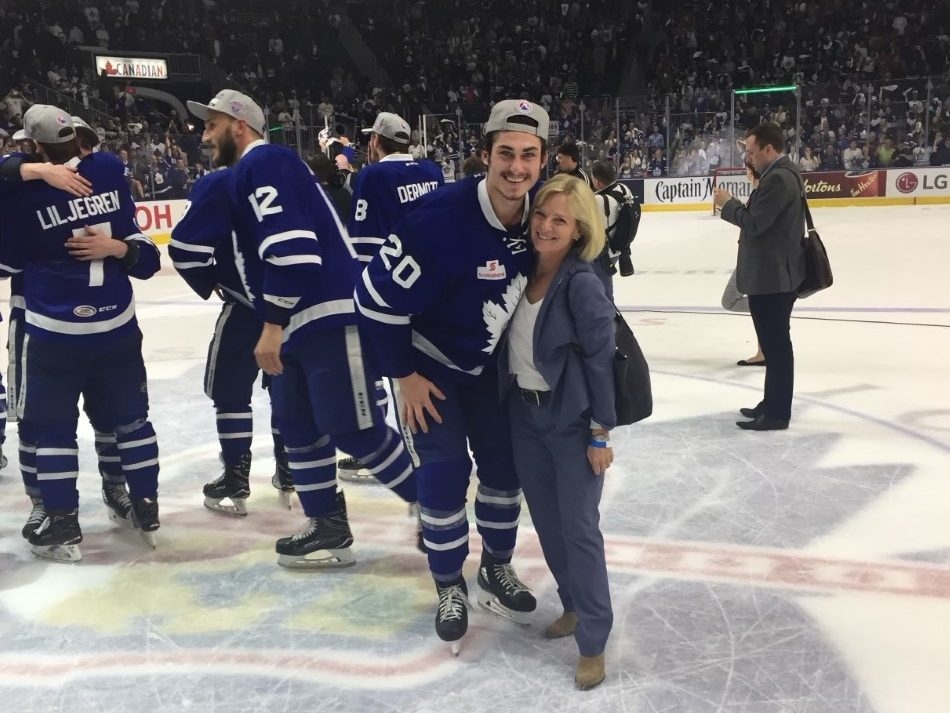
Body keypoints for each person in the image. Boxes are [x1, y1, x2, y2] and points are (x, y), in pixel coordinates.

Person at [186, 89, 419, 568]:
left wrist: (269, 325)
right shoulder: (247, 174)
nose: (204, 135)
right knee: (299, 427)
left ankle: (436, 508)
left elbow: (295, 252)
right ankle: (328, 527)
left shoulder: (264, 161)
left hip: (327, 317)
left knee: (355, 429)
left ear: (238, 125)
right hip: (299, 324)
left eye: (211, 125)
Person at [355, 98, 548, 653]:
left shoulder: (542, 213)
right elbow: (372, 302)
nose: (516, 167)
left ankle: (495, 568)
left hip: (489, 369)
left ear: (542, 159)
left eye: (528, 156)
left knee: (505, 470)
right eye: (505, 154)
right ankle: (448, 584)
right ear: (484, 155)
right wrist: (404, 374)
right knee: (442, 476)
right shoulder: (436, 220)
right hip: (430, 369)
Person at [0, 105, 162, 562]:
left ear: (33, 147)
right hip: (116, 322)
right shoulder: (110, 168)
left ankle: (61, 519)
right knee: (130, 418)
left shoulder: (22, 196)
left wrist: (27, 174)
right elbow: (146, 259)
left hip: (53, 328)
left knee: (49, 427)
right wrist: (118, 248)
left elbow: (6, 263)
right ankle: (144, 504)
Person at [498, 173, 615, 690]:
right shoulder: (520, 271)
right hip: (524, 418)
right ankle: (571, 604)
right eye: (541, 215)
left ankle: (593, 640)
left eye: (560, 220)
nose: (546, 226)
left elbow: (600, 361)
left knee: (580, 531)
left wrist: (600, 432)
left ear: (578, 228)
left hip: (570, 424)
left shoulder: (582, 281)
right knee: (547, 523)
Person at [169, 168, 293, 515]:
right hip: (290, 309)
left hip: (244, 308)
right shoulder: (291, 175)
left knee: (229, 393)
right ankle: (289, 468)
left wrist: (213, 280)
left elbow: (184, 250)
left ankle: (236, 475)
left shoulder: (216, 183)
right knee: (285, 388)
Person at [340, 111, 444, 482]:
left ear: (375, 143)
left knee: (379, 370)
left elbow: (365, 247)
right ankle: (436, 448)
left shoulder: (373, 175)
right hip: (435, 288)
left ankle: (386, 450)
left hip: (391, 292)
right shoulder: (431, 171)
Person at [713, 123, 806, 431]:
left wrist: (728, 205)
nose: (748, 157)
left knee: (777, 347)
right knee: (774, 344)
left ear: (769, 149)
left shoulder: (779, 178)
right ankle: (771, 403)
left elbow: (755, 223)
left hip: (774, 277)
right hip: (773, 274)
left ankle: (778, 413)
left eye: (752, 151)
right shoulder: (780, 174)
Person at [720, 163, 765, 367]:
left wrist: (730, 205)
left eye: (747, 168)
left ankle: (772, 309)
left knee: (730, 300)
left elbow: (752, 224)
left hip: (753, 259)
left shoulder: (762, 192)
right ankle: (763, 350)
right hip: (751, 257)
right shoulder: (759, 191)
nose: (745, 172)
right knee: (738, 300)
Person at [590, 160, 638, 301]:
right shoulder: (623, 189)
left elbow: (592, 229)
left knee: (602, 294)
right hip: (619, 248)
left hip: (603, 253)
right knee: (602, 289)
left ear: (598, 181)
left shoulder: (600, 200)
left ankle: (609, 318)